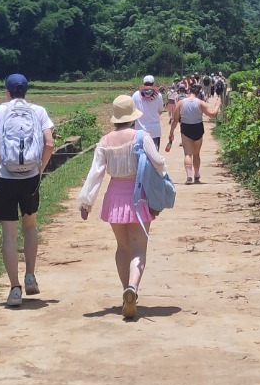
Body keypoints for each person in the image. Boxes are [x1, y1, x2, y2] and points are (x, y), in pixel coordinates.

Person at [78, 94, 169, 320]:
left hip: (115, 197)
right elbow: (158, 162)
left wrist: (86, 202)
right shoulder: (141, 136)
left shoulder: (105, 141)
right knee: (139, 249)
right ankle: (133, 288)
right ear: (132, 116)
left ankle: (125, 292)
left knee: (122, 247)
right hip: (140, 196)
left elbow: (95, 174)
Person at [0, 73, 55, 309]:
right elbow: (50, 144)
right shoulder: (39, 111)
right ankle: (31, 276)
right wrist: (40, 169)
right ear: (26, 91)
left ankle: (15, 289)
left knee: (9, 234)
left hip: (5, 177)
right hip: (30, 177)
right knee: (30, 225)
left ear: (7, 92)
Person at [178, 84, 220, 184]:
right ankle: (196, 174)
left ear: (189, 92)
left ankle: (189, 176)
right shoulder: (201, 103)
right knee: (196, 154)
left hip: (186, 127)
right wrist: (217, 106)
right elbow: (212, 115)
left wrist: (171, 133)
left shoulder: (181, 103)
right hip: (198, 127)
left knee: (188, 154)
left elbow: (175, 119)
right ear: (198, 93)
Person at [132, 75, 165, 147]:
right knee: (154, 155)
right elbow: (160, 111)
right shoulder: (158, 95)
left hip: (140, 131)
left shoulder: (136, 95)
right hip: (154, 131)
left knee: (140, 154)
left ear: (143, 83)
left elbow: (132, 110)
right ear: (153, 83)